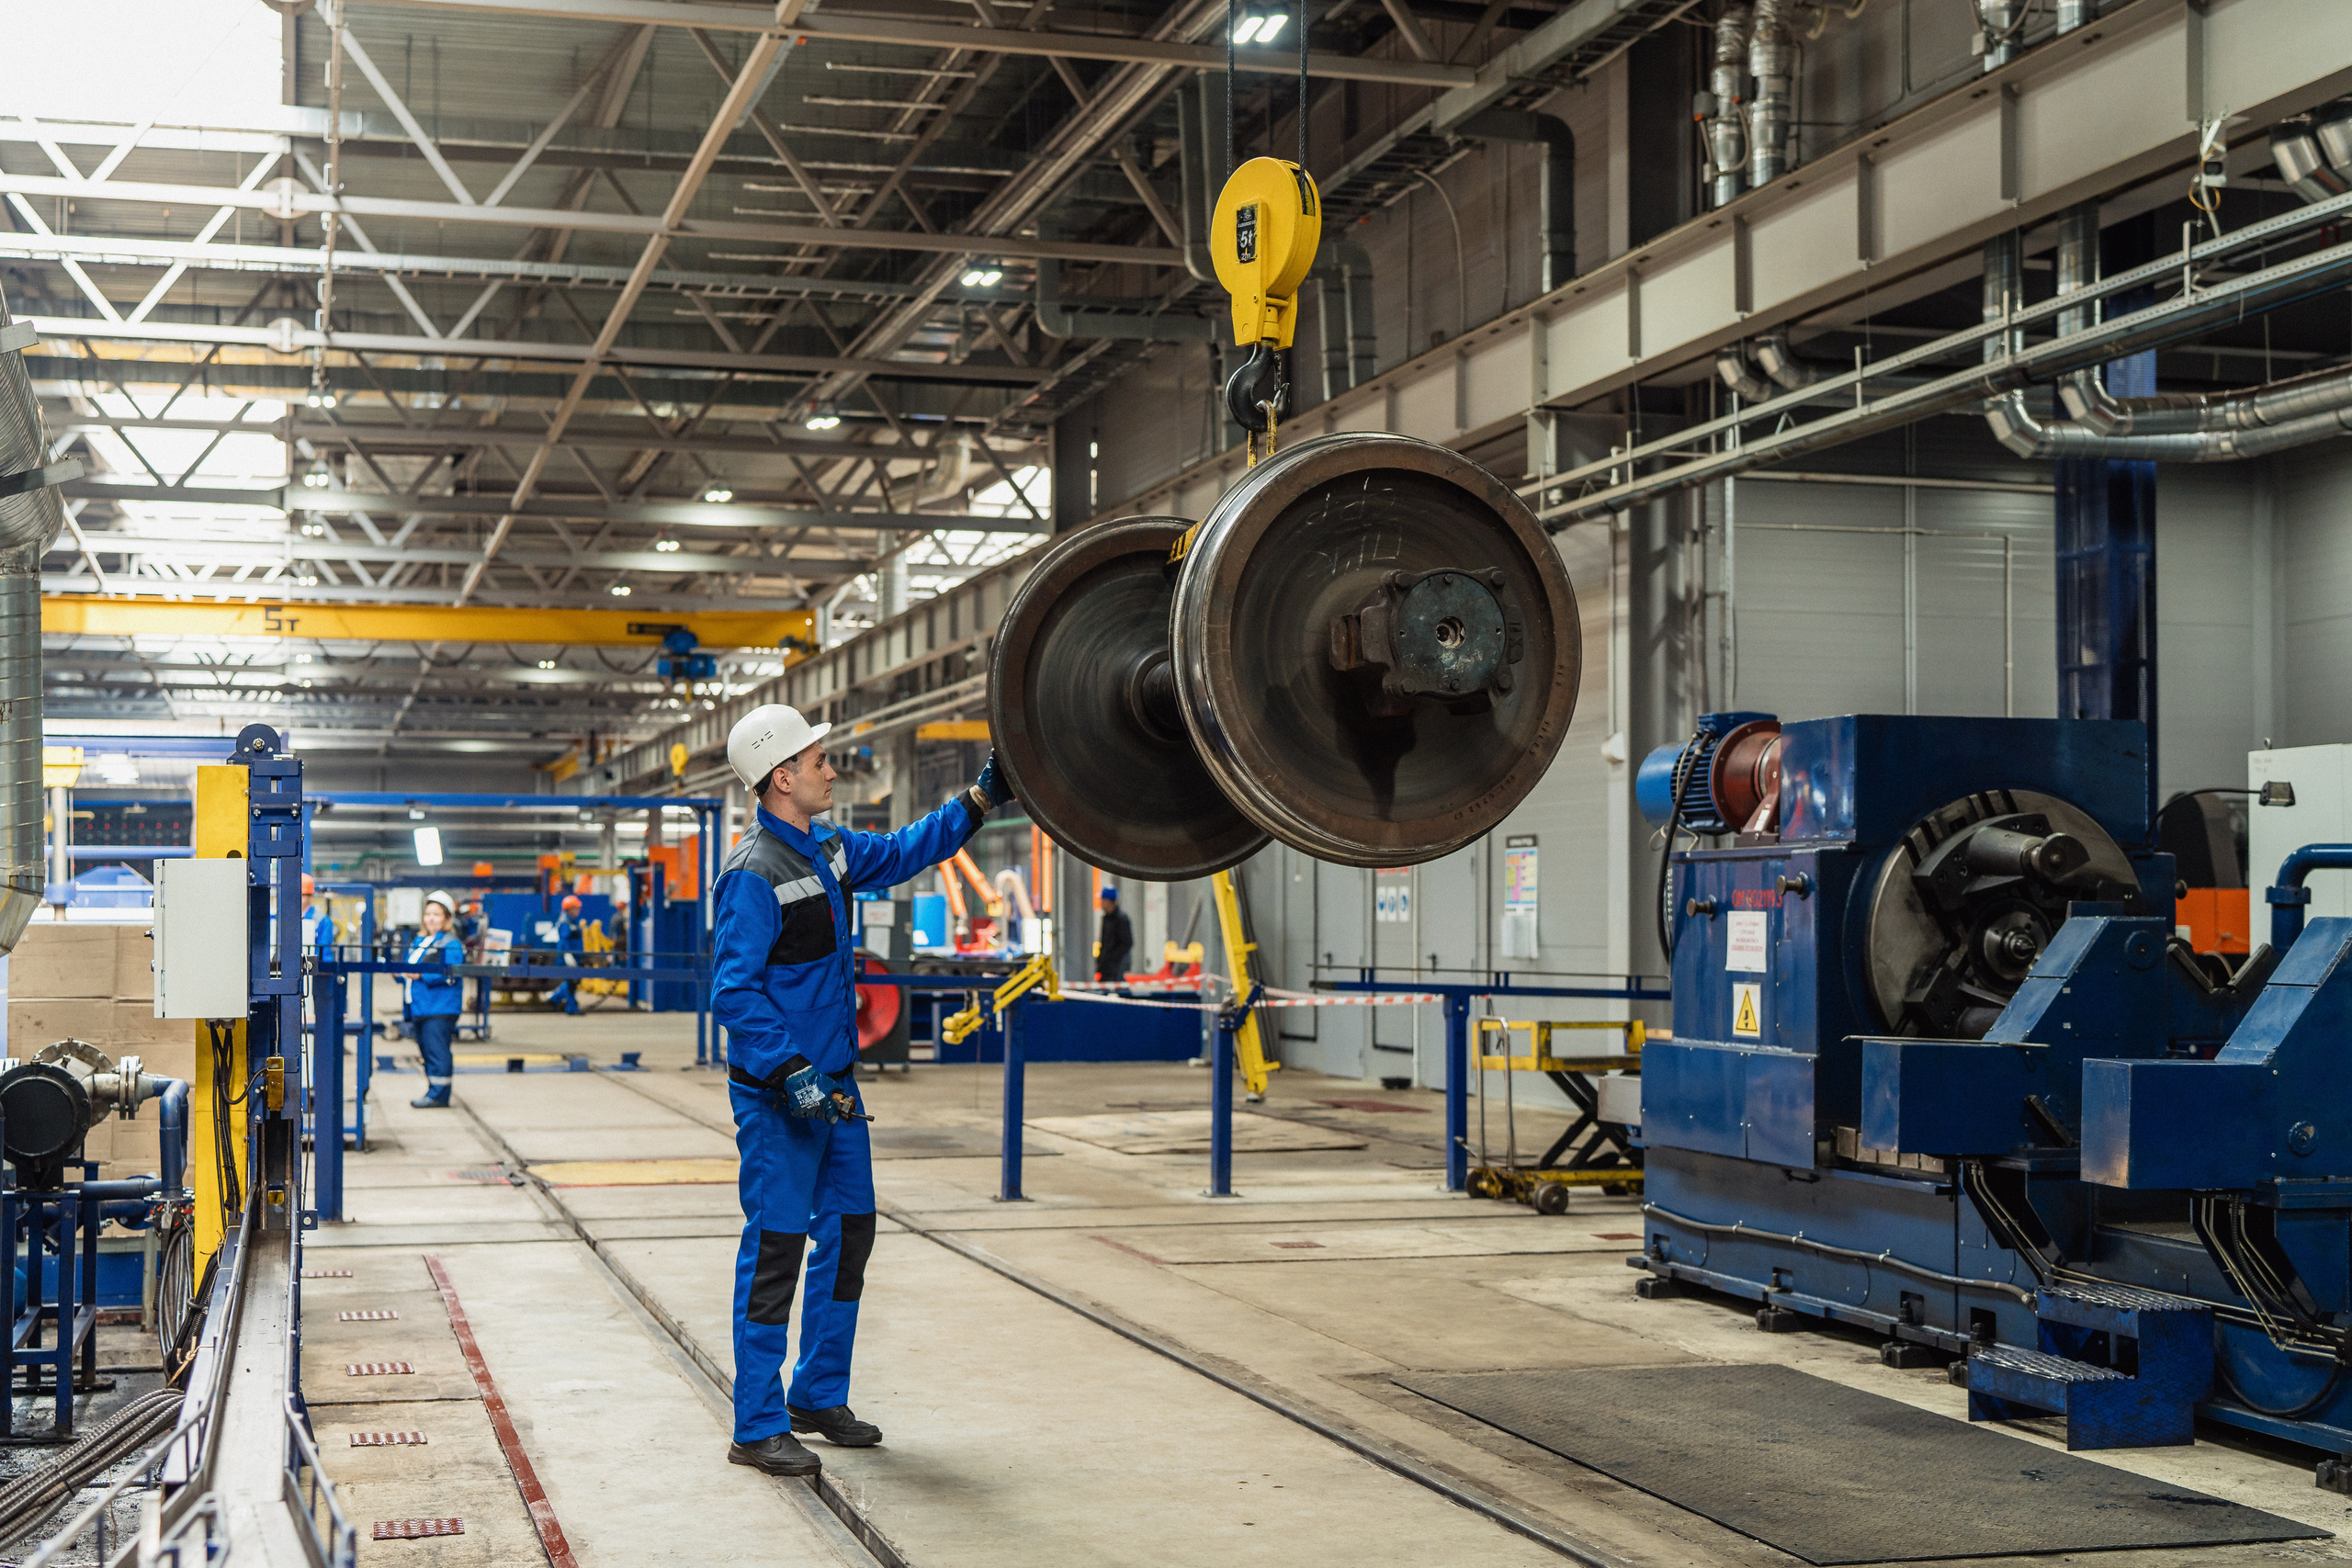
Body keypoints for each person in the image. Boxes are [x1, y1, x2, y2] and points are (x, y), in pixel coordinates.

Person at [713, 705, 1012, 1478]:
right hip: (781, 1101)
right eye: (819, 761)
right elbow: (735, 993)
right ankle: (756, 1421)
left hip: (837, 1097)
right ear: (783, 777)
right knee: (777, 1250)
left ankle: (817, 1391)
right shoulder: (752, 874)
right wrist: (790, 1072)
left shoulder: (833, 851)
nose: (830, 770)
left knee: (849, 1235)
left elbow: (910, 847)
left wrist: (979, 799)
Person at [407, 889, 466, 1109]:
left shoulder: (450, 944)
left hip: (439, 1008)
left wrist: (421, 974)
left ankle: (439, 1095)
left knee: (437, 1052)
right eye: (428, 913)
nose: (431, 918)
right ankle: (434, 1091)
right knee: (427, 1052)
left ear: (447, 918)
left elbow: (449, 972)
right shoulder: (421, 941)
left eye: (437, 914)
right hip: (421, 1007)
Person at [548, 894, 584, 1014]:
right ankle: (571, 1008)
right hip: (569, 958)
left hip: (576, 957)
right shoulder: (565, 923)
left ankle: (555, 998)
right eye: (576, 908)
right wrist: (568, 956)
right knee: (571, 983)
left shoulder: (572, 922)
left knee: (572, 982)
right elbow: (564, 942)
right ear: (569, 909)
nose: (578, 910)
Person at [1095, 886, 1133, 983]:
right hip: (1107, 966)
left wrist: (1111, 958)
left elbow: (1127, 943)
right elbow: (1104, 942)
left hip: (1117, 966)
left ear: (1108, 901)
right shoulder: (1106, 919)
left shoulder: (1121, 919)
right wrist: (1101, 961)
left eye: (1103, 900)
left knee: (1120, 989)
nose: (1101, 903)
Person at [301, 873, 334, 952]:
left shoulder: (323, 921)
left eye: (302, 895)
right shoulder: (284, 919)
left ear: (310, 896)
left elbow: (325, 953)